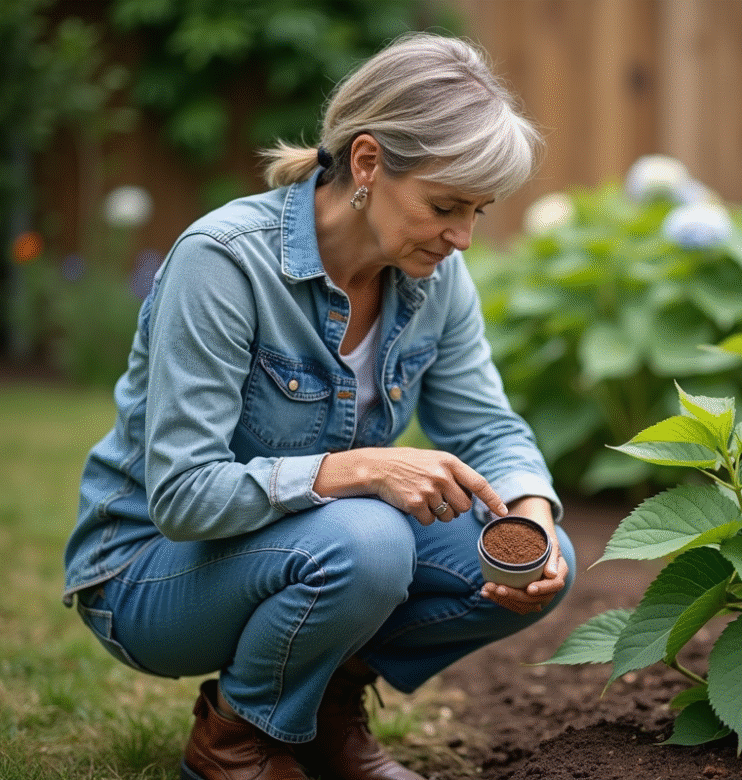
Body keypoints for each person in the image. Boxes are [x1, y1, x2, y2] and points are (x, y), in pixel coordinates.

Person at [62, 32, 574, 780]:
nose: (462, 237)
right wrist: (358, 467)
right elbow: (181, 495)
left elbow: (489, 428)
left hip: (305, 546)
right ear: (366, 162)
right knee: (369, 540)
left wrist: (530, 516)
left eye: (479, 212)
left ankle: (326, 710)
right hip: (148, 572)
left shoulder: (435, 278)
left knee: (538, 556)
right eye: (444, 205)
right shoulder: (227, 262)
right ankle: (237, 744)